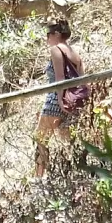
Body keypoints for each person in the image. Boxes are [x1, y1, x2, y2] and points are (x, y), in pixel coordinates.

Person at [35, 19, 86, 176]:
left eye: (48, 34)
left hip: (56, 101)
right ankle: (73, 174)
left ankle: (39, 177)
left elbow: (60, 79)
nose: (47, 38)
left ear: (56, 34)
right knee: (69, 141)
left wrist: (60, 101)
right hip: (73, 101)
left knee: (41, 139)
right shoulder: (75, 52)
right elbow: (82, 80)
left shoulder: (56, 50)